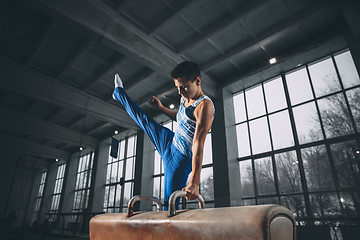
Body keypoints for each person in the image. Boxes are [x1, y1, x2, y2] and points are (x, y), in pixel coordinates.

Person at [112, 61, 214, 210]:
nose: (180, 92)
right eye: (178, 87)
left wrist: (194, 183)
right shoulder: (185, 97)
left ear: (197, 81)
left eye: (184, 87)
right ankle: (118, 93)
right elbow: (180, 118)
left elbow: (198, 144)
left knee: (169, 206)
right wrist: (161, 108)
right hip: (170, 141)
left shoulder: (204, 107)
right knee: (145, 120)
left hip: (180, 161)